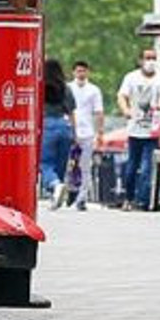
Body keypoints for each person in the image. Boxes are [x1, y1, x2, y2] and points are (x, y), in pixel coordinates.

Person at [116, 49, 160, 211]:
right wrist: (126, 110)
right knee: (132, 166)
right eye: (148, 58)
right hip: (135, 129)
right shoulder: (131, 77)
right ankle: (128, 198)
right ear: (141, 60)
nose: (151, 61)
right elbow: (121, 96)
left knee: (149, 166)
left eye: (154, 58)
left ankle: (144, 200)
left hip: (154, 130)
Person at [39, 59, 76, 208]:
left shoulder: (40, 86)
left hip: (46, 124)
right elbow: (72, 112)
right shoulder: (66, 88)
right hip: (64, 125)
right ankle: (56, 195)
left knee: (45, 163)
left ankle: (54, 185)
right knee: (61, 164)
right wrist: (75, 133)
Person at [69, 60, 104, 211]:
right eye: (78, 71)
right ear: (73, 72)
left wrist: (100, 132)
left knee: (85, 166)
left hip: (87, 132)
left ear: (88, 72)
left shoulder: (94, 90)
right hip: (70, 130)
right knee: (69, 165)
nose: (81, 74)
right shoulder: (68, 88)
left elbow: (98, 112)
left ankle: (81, 198)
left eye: (83, 71)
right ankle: (68, 193)